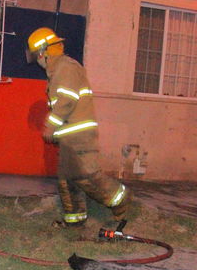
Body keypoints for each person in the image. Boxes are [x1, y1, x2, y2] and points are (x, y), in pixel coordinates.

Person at [26, 27, 129, 227]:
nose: (37, 59)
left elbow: (67, 100)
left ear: (44, 51)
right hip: (70, 136)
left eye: (36, 54)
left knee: (85, 176)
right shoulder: (57, 70)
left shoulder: (65, 68)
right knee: (67, 180)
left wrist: (51, 126)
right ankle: (74, 220)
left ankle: (121, 200)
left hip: (79, 135)